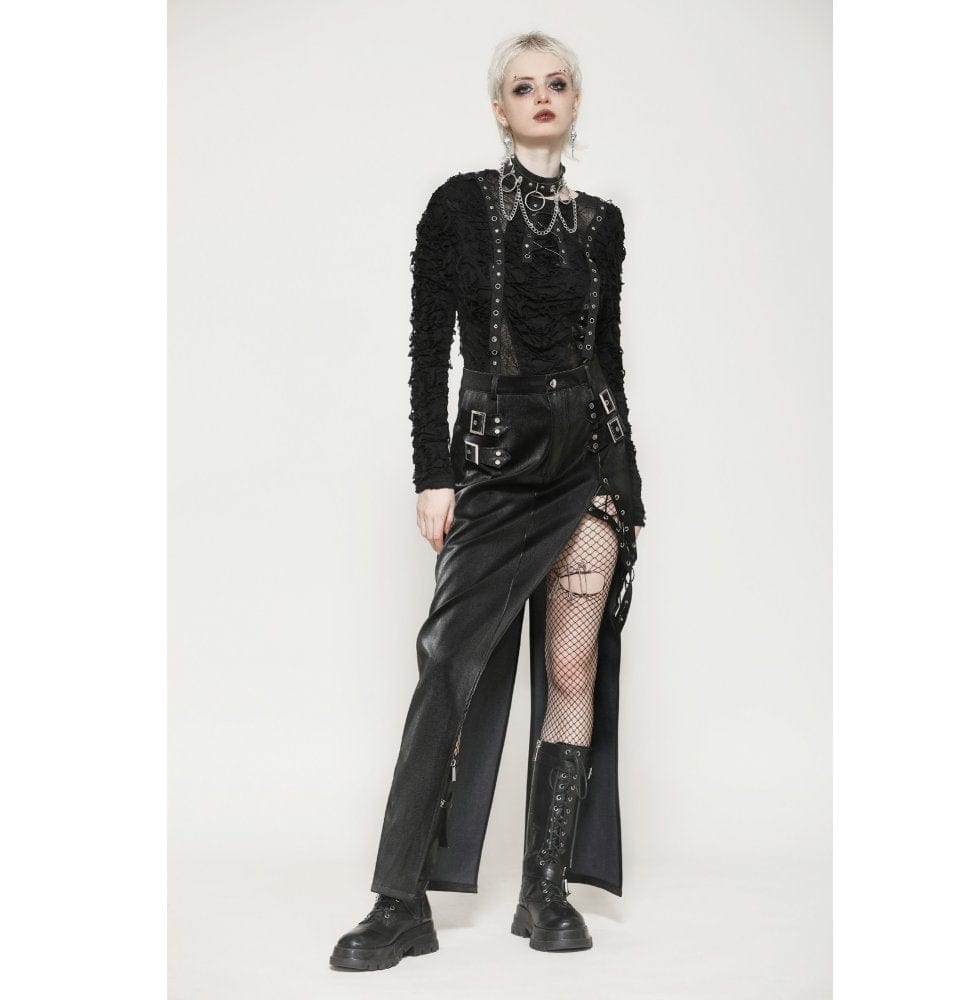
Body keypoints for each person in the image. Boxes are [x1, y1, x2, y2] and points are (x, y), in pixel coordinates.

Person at [329, 30, 647, 972]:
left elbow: (606, 356)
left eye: (557, 83)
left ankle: (544, 891)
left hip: (587, 463)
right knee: (448, 667)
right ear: (500, 109)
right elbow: (428, 348)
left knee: (572, 668)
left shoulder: (602, 224)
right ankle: (400, 903)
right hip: (494, 464)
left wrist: (626, 478)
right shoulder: (458, 206)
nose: (541, 96)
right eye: (522, 86)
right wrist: (433, 473)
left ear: (575, 101)